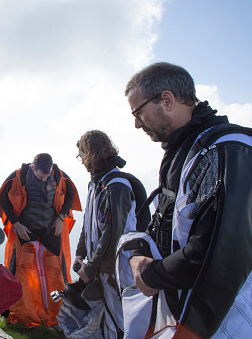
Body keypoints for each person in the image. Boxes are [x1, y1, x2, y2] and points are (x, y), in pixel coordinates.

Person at [119, 62, 252, 338]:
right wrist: (139, 249)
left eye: (138, 112)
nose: (137, 123)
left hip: (240, 322)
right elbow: (170, 223)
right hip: (204, 316)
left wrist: (149, 274)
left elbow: (215, 256)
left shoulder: (228, 151)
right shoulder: (187, 151)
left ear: (167, 100)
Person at [57, 130, 150, 338]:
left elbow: (113, 233)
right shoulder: (98, 183)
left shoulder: (115, 185)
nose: (81, 161)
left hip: (119, 269)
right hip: (105, 267)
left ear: (90, 153)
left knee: (120, 322)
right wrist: (81, 252)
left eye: (81, 155)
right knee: (107, 319)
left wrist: (90, 269)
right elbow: (88, 224)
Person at [0, 153, 82, 327]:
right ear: (33, 168)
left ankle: (59, 311)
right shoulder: (19, 176)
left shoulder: (59, 175)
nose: (44, 179)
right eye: (41, 176)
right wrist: (16, 224)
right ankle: (13, 311)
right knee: (17, 269)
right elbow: (5, 200)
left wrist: (61, 217)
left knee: (58, 270)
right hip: (26, 229)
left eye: (47, 176)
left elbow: (70, 194)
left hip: (51, 229)